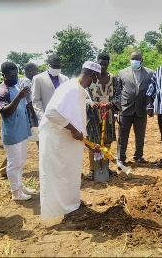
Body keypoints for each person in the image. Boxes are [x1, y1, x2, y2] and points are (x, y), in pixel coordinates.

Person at [39, 61, 101, 221]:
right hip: (57, 141)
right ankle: (67, 209)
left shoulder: (79, 89)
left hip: (68, 141)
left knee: (72, 172)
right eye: (97, 78)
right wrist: (73, 130)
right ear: (93, 75)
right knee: (62, 174)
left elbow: (77, 120)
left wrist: (89, 144)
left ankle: (73, 202)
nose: (97, 82)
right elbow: (51, 113)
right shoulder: (71, 88)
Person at [0, 62, 35, 200]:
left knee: (21, 161)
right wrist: (19, 97)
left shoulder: (16, 86)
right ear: (4, 75)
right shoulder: (2, 91)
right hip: (12, 133)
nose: (14, 77)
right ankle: (15, 193)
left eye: (16, 74)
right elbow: (5, 113)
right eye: (11, 76)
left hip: (22, 131)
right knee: (13, 164)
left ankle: (20, 186)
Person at [86, 53, 120, 180]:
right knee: (93, 142)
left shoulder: (113, 78)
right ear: (97, 63)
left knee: (107, 141)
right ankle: (92, 169)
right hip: (94, 116)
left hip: (109, 115)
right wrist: (91, 103)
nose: (103, 67)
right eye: (100, 64)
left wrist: (113, 103)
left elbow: (119, 95)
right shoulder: (91, 79)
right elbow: (85, 95)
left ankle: (105, 166)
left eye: (105, 64)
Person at [117, 51, 154, 165]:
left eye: (137, 59)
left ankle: (138, 155)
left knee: (140, 135)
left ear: (142, 60)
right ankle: (121, 158)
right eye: (132, 59)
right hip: (125, 109)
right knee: (122, 136)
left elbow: (152, 91)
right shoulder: (122, 73)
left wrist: (150, 106)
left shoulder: (150, 73)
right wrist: (118, 107)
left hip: (141, 108)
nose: (134, 61)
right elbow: (118, 91)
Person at [32, 54, 69, 122]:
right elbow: (36, 101)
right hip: (46, 119)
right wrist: (42, 117)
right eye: (54, 66)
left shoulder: (65, 79)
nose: (56, 68)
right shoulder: (38, 79)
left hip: (62, 119)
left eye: (58, 66)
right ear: (48, 65)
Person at [19, 63, 39, 144]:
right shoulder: (27, 82)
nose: (37, 74)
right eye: (36, 71)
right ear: (30, 71)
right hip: (31, 115)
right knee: (39, 138)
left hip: (24, 114)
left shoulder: (21, 80)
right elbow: (29, 103)